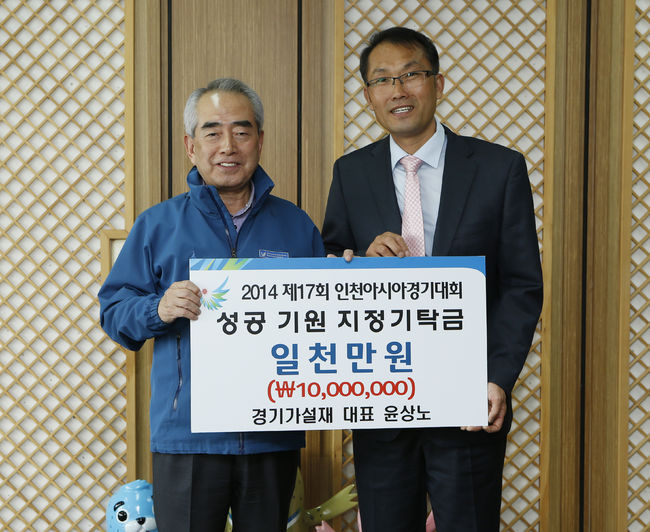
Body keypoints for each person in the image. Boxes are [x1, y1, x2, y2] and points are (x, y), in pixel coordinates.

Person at [322, 27, 543, 532]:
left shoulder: (499, 168)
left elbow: (522, 285)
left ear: (438, 83)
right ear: (368, 96)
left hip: (467, 396)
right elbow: (333, 267)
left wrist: (496, 378)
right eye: (382, 80)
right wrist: (360, 259)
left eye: (411, 75)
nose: (397, 90)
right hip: (381, 395)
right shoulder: (350, 173)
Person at [99, 78, 325, 532]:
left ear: (260, 140)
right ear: (190, 146)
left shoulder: (297, 226)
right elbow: (114, 312)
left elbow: (325, 317)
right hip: (187, 437)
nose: (228, 146)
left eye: (241, 132)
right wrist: (158, 309)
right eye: (212, 132)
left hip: (271, 433)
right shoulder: (157, 225)